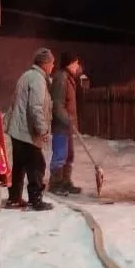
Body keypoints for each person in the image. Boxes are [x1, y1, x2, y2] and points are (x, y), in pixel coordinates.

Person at [5, 47, 55, 210]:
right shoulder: (37, 79)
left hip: (18, 129)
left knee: (19, 165)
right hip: (27, 131)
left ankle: (14, 198)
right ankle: (36, 200)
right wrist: (42, 129)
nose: (53, 66)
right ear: (45, 63)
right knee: (37, 165)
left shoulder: (27, 75)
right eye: (51, 63)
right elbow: (35, 107)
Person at [48, 52, 83, 194]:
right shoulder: (61, 78)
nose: (78, 66)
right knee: (60, 154)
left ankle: (66, 181)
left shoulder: (69, 78)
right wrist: (66, 119)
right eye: (76, 63)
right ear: (70, 63)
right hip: (61, 125)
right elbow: (57, 104)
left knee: (69, 154)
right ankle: (55, 184)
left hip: (68, 125)